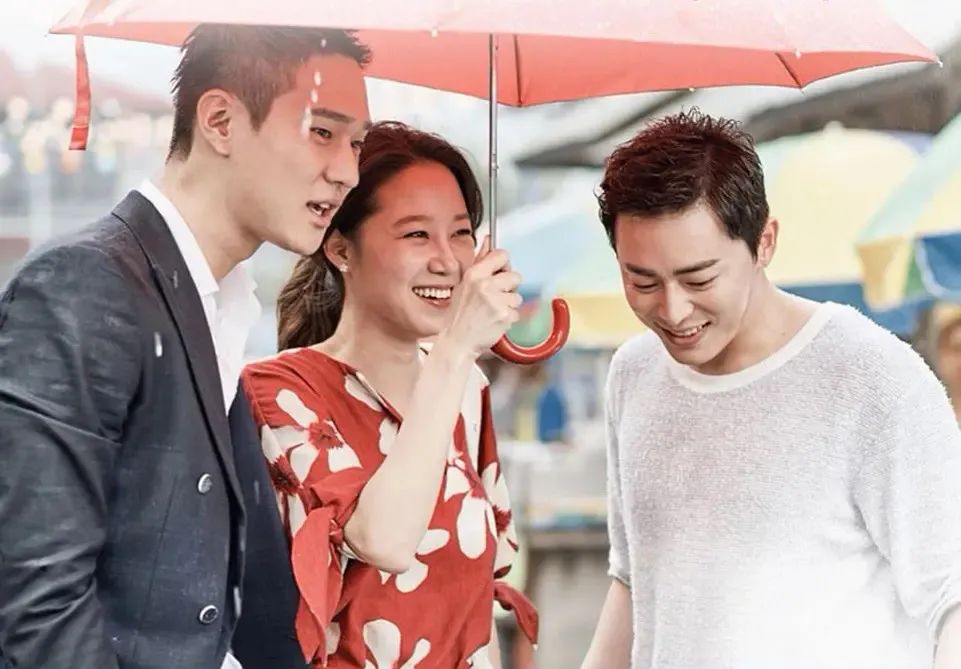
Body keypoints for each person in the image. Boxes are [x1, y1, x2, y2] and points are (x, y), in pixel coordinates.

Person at [0, 24, 370, 669]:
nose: (347, 172)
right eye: (322, 133)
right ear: (221, 121)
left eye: (357, 143)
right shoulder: (85, 285)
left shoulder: (221, 303)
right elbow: (38, 603)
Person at [580, 110, 961, 669]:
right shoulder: (633, 373)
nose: (673, 310)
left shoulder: (873, 378)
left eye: (699, 278)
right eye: (642, 281)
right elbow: (633, 582)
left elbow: (951, 595)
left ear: (764, 242)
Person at [240, 121, 538, 668]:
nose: (447, 261)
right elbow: (382, 541)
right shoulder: (279, 392)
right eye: (416, 235)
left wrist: (453, 362)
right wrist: (454, 351)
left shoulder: (467, 388)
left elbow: (475, 604)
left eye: (461, 233)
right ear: (340, 248)